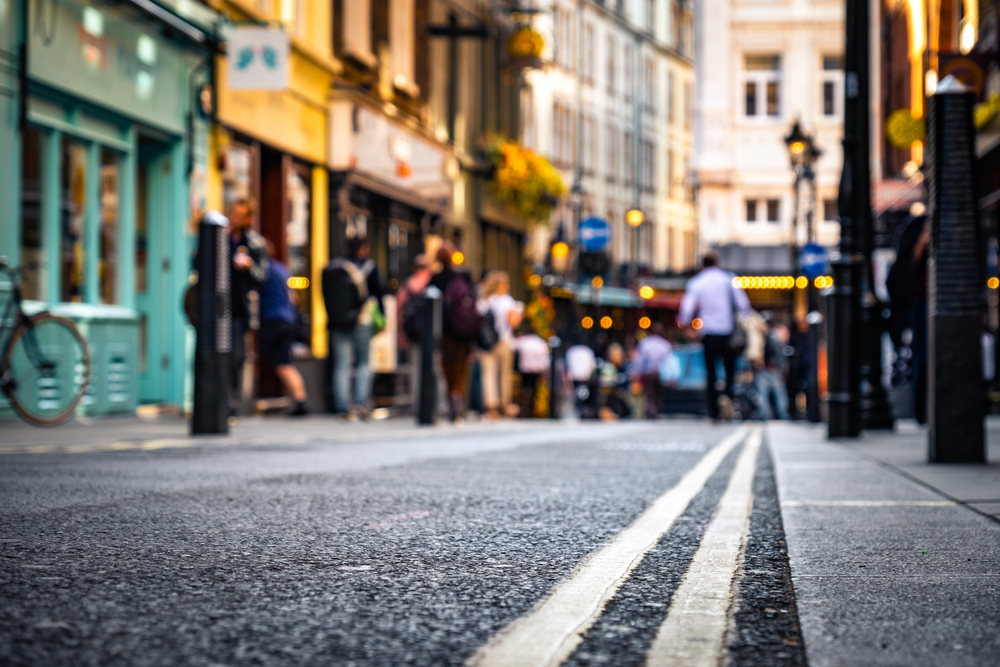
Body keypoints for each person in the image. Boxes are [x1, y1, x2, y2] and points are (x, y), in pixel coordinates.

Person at [678, 252, 751, 420]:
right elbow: (743, 305)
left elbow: (686, 310)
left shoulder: (696, 282)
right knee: (730, 371)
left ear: (702, 265)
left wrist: (685, 324)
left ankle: (713, 411)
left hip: (709, 333)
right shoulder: (728, 279)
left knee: (710, 374)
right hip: (728, 333)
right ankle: (729, 402)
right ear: (717, 263)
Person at [322, 236, 384, 420]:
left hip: (338, 322)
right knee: (364, 361)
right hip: (362, 320)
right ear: (364, 248)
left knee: (341, 364)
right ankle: (361, 402)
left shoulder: (335, 267)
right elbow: (378, 294)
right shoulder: (369, 267)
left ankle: (342, 406)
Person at [227, 198, 268, 415]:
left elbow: (262, 277)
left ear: (249, 218)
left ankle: (231, 404)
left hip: (240, 309)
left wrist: (249, 266)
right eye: (232, 213)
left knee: (236, 357)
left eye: (239, 215)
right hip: (217, 307)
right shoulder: (221, 237)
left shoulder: (255, 243)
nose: (234, 218)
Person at [257, 243, 308, 416]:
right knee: (284, 363)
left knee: (278, 363)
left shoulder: (263, 270)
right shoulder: (282, 268)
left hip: (273, 319)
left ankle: (300, 401)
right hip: (288, 319)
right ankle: (300, 399)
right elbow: (293, 297)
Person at [430, 242, 476, 422]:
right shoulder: (463, 276)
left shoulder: (435, 279)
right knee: (461, 368)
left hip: (444, 331)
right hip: (463, 331)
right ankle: (457, 399)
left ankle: (450, 398)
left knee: (446, 367)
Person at [478, 271, 523, 419]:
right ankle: (505, 405)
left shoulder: (483, 301)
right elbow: (513, 322)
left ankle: (491, 406)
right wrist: (519, 313)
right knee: (505, 375)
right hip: (504, 340)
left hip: (486, 342)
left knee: (488, 374)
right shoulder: (507, 301)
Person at [632, 322, 673, 419]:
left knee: (650, 394)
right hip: (660, 373)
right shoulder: (665, 344)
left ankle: (652, 412)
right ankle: (656, 411)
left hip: (649, 372)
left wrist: (635, 371)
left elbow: (640, 360)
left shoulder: (645, 344)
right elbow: (669, 362)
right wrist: (672, 376)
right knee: (659, 393)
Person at [755, 315, 791, 420]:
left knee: (763, 394)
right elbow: (780, 353)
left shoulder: (759, 336)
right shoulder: (774, 336)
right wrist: (784, 366)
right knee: (779, 393)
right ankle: (782, 414)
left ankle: (766, 416)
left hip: (763, 369)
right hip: (773, 368)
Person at [513, 322, 550, 418]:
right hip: (536, 371)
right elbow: (545, 363)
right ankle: (530, 411)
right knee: (533, 391)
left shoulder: (522, 341)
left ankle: (524, 410)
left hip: (524, 370)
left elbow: (512, 345)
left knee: (524, 390)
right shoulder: (541, 343)